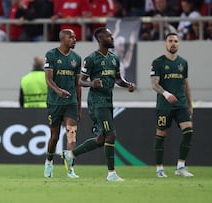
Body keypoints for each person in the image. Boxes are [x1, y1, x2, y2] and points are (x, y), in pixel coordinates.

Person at [61, 27, 135, 181]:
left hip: (108, 101)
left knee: (101, 139)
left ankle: (70, 154)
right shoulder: (91, 59)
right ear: (100, 39)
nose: (112, 39)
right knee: (111, 135)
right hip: (97, 103)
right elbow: (80, 80)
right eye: (109, 36)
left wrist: (127, 84)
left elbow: (117, 79)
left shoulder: (114, 59)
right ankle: (111, 174)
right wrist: (92, 83)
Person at [150, 32, 194, 178]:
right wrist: (166, 94)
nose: (173, 43)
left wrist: (190, 104)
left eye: (176, 41)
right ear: (165, 43)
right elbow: (154, 84)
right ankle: (159, 168)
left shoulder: (183, 63)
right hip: (164, 105)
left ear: (179, 44)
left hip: (181, 104)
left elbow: (186, 85)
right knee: (161, 134)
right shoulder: (158, 63)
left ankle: (181, 166)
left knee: (188, 131)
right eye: (170, 41)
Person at [44, 29, 81, 178]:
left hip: (71, 102)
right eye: (71, 37)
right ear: (62, 39)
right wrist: (59, 91)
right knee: (55, 137)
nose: (74, 39)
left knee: (71, 134)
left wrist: (79, 106)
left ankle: (70, 168)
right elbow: (48, 79)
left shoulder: (77, 58)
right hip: (54, 102)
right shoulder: (51, 55)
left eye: (75, 37)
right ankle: (49, 161)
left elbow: (78, 84)